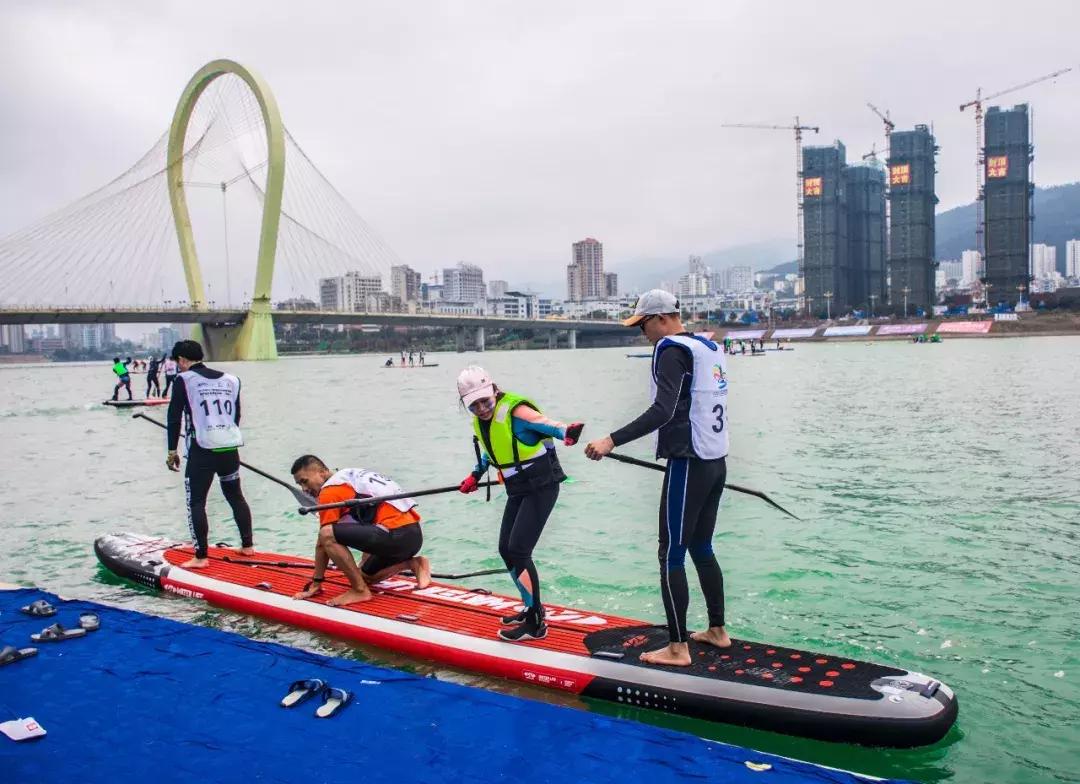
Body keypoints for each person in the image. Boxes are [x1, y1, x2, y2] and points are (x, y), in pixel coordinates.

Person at [585, 289, 730, 667]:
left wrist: (610, 441)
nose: (642, 333)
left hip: (688, 463)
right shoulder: (708, 347)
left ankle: (678, 648)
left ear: (662, 318)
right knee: (702, 546)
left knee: (671, 554)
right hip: (716, 461)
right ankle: (717, 630)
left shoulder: (670, 349)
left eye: (643, 324)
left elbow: (662, 411)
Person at [456, 366, 585, 642]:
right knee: (506, 549)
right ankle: (530, 608)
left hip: (541, 486)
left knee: (519, 550)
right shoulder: (481, 422)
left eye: (485, 401)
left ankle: (536, 623)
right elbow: (490, 453)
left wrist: (568, 432)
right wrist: (475, 476)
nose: (481, 408)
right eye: (474, 405)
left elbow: (547, 423)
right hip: (518, 489)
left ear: (493, 389)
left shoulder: (515, 410)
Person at [290, 456, 430, 606]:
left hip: (395, 535)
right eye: (300, 484)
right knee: (363, 576)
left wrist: (316, 584)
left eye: (305, 481)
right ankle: (414, 563)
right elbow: (369, 521)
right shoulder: (350, 476)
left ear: (322, 472)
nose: (304, 489)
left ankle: (359, 591)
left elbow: (323, 543)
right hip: (412, 536)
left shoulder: (330, 491)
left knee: (326, 534)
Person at [165, 340, 254, 569]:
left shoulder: (183, 380)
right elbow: (236, 416)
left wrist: (172, 450)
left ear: (182, 360)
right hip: (229, 448)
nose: (179, 366)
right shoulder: (231, 380)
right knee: (236, 497)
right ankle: (247, 546)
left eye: (178, 362)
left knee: (196, 502)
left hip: (201, 450)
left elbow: (174, 417)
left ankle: (201, 557)